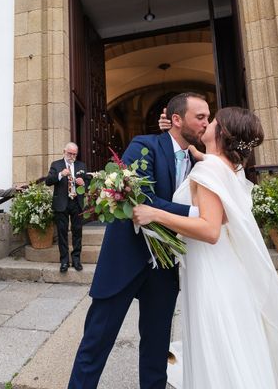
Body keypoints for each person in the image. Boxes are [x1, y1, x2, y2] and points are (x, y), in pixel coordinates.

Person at [133, 107, 278, 389]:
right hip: (228, 266)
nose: (206, 124)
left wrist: (155, 215)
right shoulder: (228, 169)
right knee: (234, 338)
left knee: (215, 337)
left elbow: (210, 229)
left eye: (211, 121)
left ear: (222, 132)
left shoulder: (208, 169)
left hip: (211, 268)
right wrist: (178, 135)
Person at [69, 92, 209, 389]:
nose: (206, 123)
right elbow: (140, 198)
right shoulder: (143, 145)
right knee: (95, 343)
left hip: (165, 265)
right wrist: (197, 213)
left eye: (208, 118)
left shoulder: (201, 163)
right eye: (200, 117)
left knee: (157, 349)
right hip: (124, 259)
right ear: (176, 119)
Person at [46, 143, 89, 273]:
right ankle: (64, 261)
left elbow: (88, 182)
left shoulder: (81, 165)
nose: (72, 156)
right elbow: (48, 181)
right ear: (64, 151)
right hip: (62, 203)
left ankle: (76, 259)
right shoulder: (56, 164)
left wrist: (84, 183)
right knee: (62, 232)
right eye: (70, 153)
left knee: (77, 232)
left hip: (76, 202)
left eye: (74, 154)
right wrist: (60, 175)